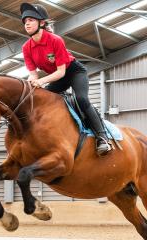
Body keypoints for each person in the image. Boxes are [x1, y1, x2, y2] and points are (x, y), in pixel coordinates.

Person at [20, 2, 112, 156]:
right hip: (57, 77)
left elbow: (61, 72)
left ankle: (102, 137)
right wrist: (31, 82)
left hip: (74, 72)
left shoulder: (55, 40)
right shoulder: (26, 47)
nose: (27, 23)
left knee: (81, 99)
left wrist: (41, 82)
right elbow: (33, 74)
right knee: (41, 100)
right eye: (25, 21)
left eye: (31, 20)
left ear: (41, 23)